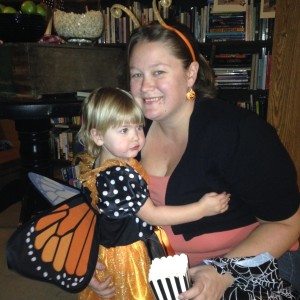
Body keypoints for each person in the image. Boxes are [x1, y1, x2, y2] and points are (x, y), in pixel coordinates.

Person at [87, 22, 300, 300]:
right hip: (161, 265)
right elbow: (103, 203)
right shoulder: (126, 135)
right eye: (136, 74)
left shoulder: (239, 133)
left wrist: (221, 272)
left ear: (190, 74)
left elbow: (286, 224)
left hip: (254, 260)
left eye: (158, 72)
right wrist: (90, 260)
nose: (145, 86)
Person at [75, 87, 230, 300]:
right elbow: (153, 215)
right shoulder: (119, 175)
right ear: (98, 136)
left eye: (139, 127)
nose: (136, 137)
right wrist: (201, 209)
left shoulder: (98, 164)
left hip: (107, 248)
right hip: (128, 255)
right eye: (123, 130)